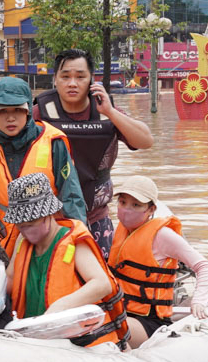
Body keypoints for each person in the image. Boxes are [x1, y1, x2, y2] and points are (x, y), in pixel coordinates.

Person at [0, 173, 128, 347]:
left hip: (77, 339)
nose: (25, 229)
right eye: (20, 224)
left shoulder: (73, 241)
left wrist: (62, 305)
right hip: (37, 336)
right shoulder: (22, 240)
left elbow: (102, 284)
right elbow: (10, 280)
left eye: (30, 222)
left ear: (48, 214)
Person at [33, 49, 154, 259]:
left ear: (91, 80)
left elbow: (146, 141)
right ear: (55, 79)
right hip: (50, 219)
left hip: (96, 216)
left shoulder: (105, 110)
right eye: (65, 76)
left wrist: (110, 112)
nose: (72, 83)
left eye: (80, 77)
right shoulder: (39, 113)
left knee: (103, 279)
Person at [0, 76, 86, 252]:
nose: (10, 118)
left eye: (17, 109)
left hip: (47, 245)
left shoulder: (53, 143)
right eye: (2, 111)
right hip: (2, 247)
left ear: (28, 111)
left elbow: (72, 197)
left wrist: (78, 242)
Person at [108, 175, 208, 349]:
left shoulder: (162, 236)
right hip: (122, 311)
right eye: (122, 202)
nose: (127, 209)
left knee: (107, 325)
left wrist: (199, 301)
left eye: (136, 205)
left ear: (151, 210)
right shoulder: (119, 231)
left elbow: (204, 266)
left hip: (149, 321)